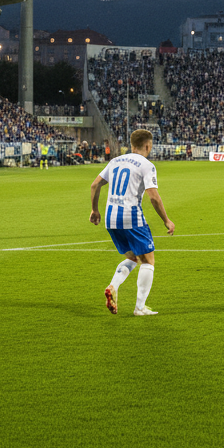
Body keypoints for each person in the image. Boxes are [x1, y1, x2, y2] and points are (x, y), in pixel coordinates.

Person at [90, 129, 175, 316]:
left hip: (110, 218)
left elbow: (94, 185)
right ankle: (140, 308)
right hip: (131, 217)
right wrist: (166, 220)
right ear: (148, 146)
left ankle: (113, 286)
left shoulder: (115, 161)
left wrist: (95, 210)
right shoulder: (146, 165)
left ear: (131, 144)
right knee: (148, 260)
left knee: (132, 258)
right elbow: (154, 197)